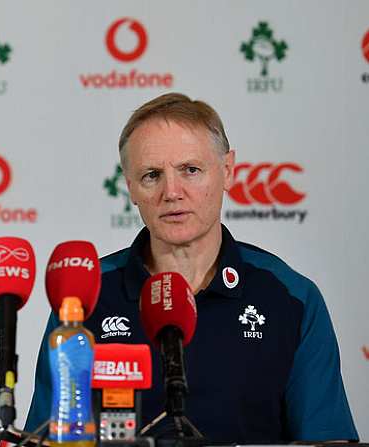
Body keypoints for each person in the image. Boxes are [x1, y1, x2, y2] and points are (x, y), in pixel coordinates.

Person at [25, 92, 358, 442]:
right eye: (152, 175)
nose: (172, 192)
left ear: (228, 171)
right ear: (130, 188)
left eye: (191, 170)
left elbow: (327, 439)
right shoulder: (86, 297)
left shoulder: (291, 298)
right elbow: (47, 437)